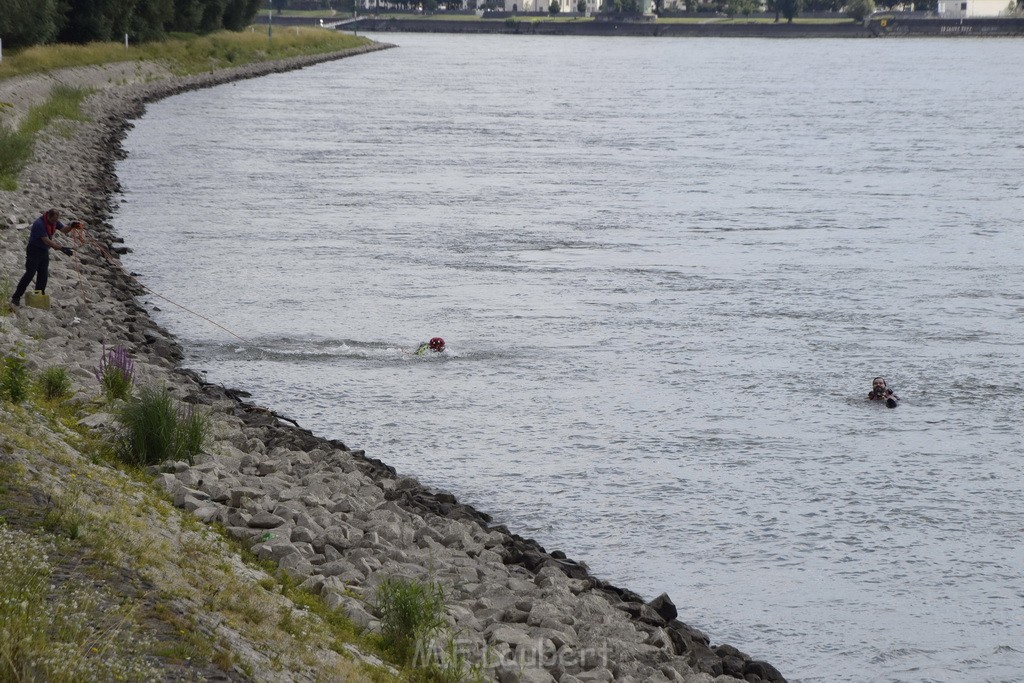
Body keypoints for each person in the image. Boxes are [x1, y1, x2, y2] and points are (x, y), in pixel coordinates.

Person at [10, 209, 80, 307]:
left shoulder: (54, 221)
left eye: (56, 220)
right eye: (53, 220)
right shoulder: (39, 224)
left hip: (43, 251)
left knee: (43, 276)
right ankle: (16, 297)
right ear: (48, 216)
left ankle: (38, 299)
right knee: (30, 274)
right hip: (34, 250)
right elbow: (47, 241)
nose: (55, 222)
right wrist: (62, 248)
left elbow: (64, 230)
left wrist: (72, 226)